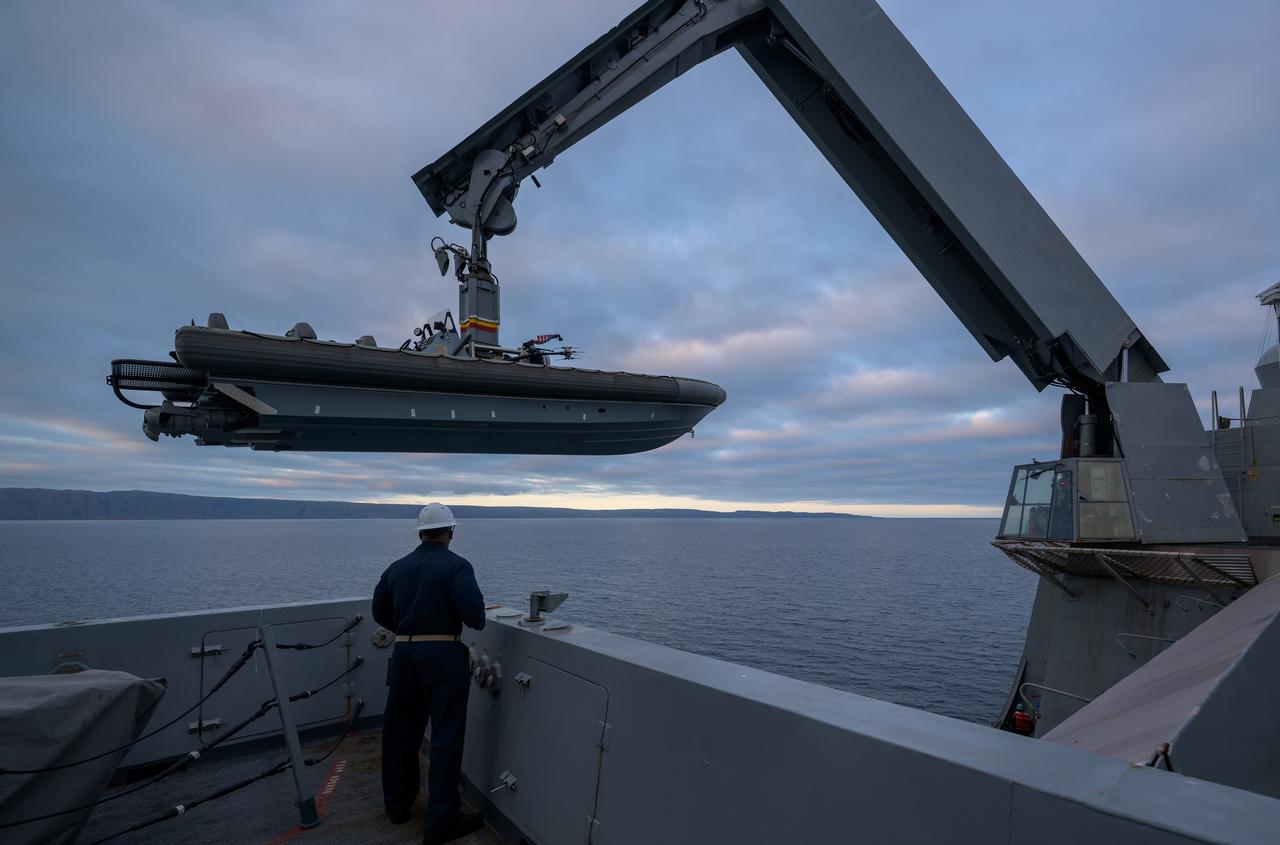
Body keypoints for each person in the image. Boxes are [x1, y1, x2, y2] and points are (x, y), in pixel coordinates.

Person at [372, 502, 486, 845]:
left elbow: (379, 612)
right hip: (443, 658)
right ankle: (441, 822)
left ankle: (397, 807)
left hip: (405, 655)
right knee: (445, 738)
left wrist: (408, 631)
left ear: (421, 532)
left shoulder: (396, 568)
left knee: (400, 735)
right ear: (451, 532)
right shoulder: (457, 567)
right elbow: (475, 618)